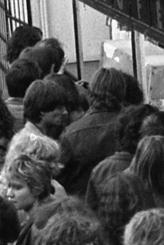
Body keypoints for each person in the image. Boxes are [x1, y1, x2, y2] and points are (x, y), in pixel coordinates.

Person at [57, 68, 139, 197]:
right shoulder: (133, 129)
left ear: (91, 93)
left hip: (83, 208)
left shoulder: (72, 133)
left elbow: (60, 177)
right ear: (122, 93)